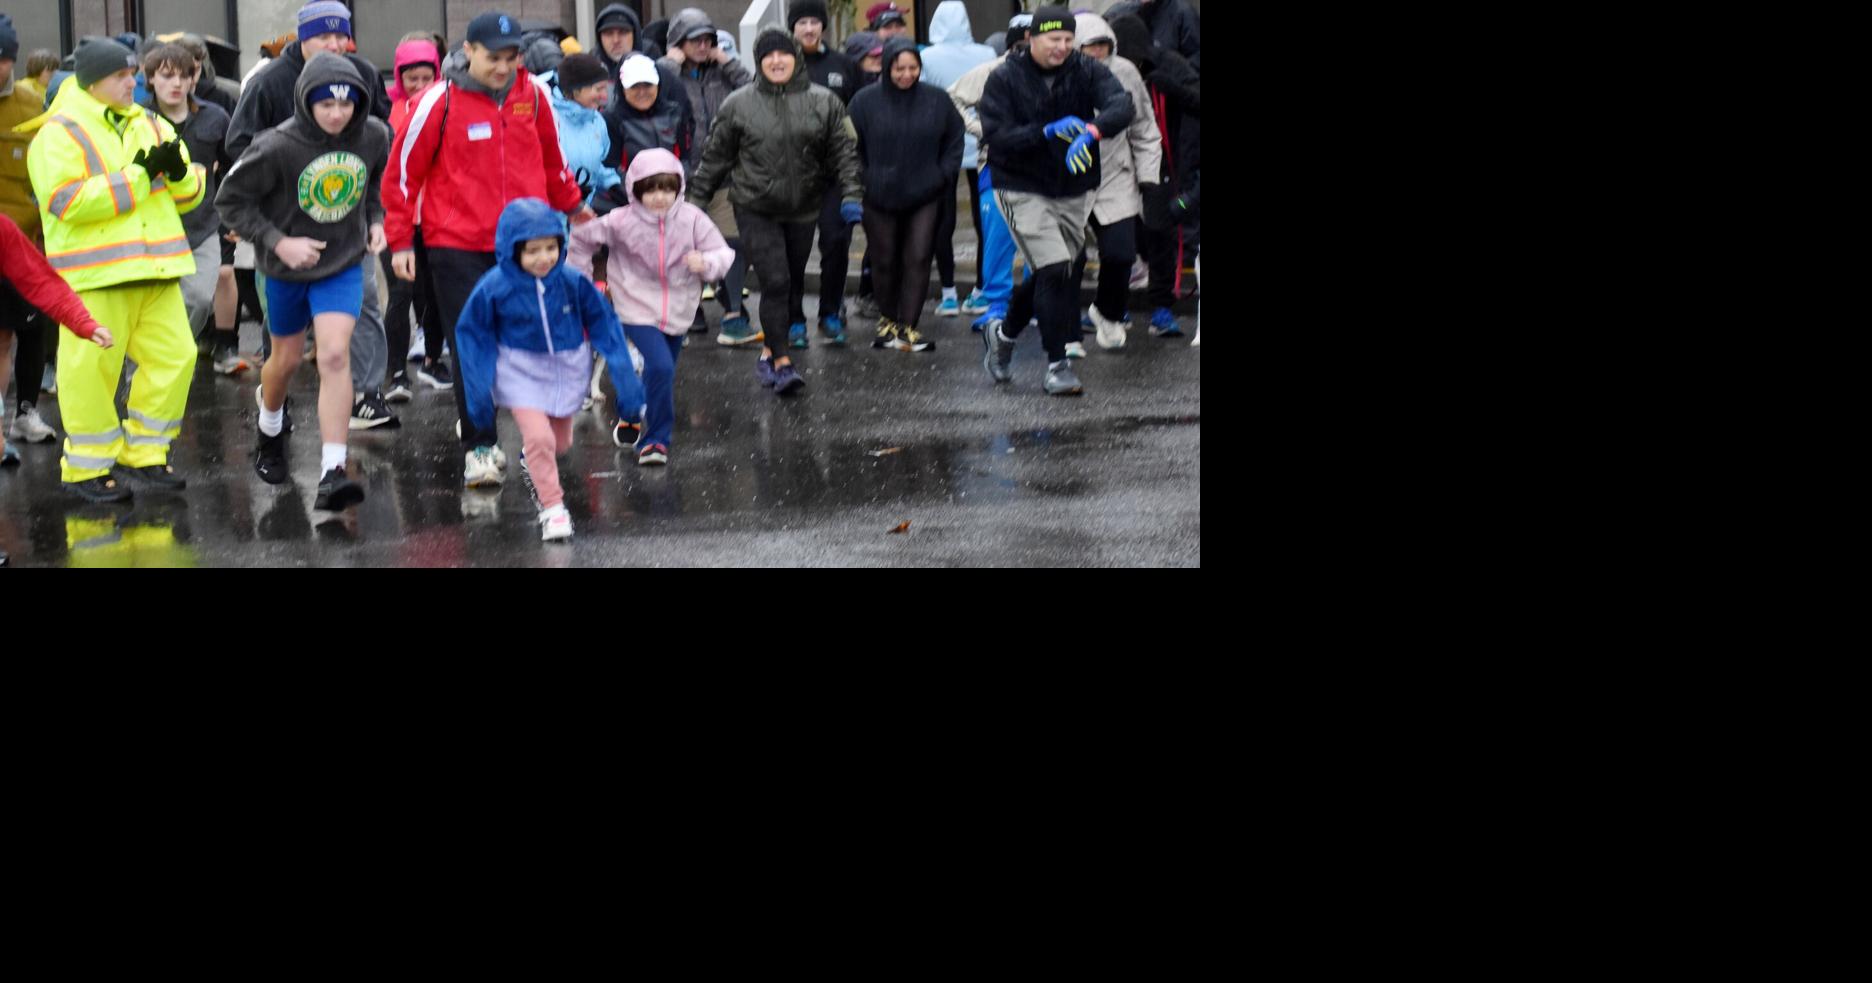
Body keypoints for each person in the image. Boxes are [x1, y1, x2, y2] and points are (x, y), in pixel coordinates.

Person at [384, 10, 593, 489]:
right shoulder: (438, 100)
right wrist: (400, 241)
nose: (503, 67)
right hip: (456, 244)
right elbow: (402, 174)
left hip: (525, 244)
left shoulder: (534, 95)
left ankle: (496, 420)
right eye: (493, 57)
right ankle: (480, 445)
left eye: (511, 57)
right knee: (472, 343)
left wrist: (573, 206)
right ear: (469, 52)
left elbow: (551, 160)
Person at [25, 38, 208, 501]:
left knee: (176, 358)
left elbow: (188, 193)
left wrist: (182, 176)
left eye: (133, 74)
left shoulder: (150, 123)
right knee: (90, 373)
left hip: (156, 269)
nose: (134, 82)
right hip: (94, 277)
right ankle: (87, 468)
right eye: (122, 76)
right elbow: (66, 202)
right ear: (93, 81)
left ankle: (145, 455)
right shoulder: (59, 133)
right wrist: (141, 178)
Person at [217, 54, 391, 511]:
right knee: (286, 361)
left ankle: (333, 470)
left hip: (342, 263)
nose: (337, 114)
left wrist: (376, 219)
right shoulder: (276, 145)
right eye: (325, 105)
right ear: (305, 102)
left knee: (334, 354)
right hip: (286, 269)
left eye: (347, 104)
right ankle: (269, 427)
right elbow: (230, 201)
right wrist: (278, 241)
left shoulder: (373, 134)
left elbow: (373, 185)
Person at [228, 2, 399, 431]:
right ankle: (276, 395)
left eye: (341, 36)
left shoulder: (360, 73)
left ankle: (367, 394)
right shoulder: (270, 82)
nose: (334, 45)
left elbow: (378, 145)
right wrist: (288, 162)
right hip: (287, 227)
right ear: (302, 37)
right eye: (324, 36)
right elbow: (238, 146)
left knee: (363, 304)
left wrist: (374, 213)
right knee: (283, 331)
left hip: (346, 220)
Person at [456, 199, 643, 541]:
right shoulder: (495, 286)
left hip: (567, 371)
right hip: (519, 372)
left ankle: (535, 455)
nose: (543, 258)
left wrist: (625, 378)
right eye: (532, 251)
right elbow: (471, 333)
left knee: (559, 442)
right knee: (540, 438)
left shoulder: (572, 281)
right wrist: (478, 392)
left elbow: (604, 322)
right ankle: (553, 509)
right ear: (512, 251)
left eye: (550, 248)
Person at [686, 28, 861, 394]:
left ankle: (769, 350)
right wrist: (694, 206)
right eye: (768, 56)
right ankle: (782, 362)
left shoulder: (824, 100)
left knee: (791, 282)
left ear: (795, 58)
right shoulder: (739, 103)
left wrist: (851, 195)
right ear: (759, 61)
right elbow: (715, 158)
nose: (776, 61)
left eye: (783, 54)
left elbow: (844, 153)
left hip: (802, 209)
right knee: (776, 280)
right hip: (754, 206)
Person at [977, 7, 1132, 397]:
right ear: (1032, 38)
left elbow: (1121, 103)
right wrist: (1046, 131)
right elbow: (998, 135)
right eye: (1053, 40)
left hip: (1072, 186)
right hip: (1019, 185)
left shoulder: (1085, 68)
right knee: (1054, 267)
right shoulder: (1005, 76)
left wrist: (1093, 131)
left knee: (1055, 270)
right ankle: (1057, 364)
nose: (1063, 47)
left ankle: (1005, 334)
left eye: (1068, 39)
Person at [571, 149, 731, 465]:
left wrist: (707, 262)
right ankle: (657, 439)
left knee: (661, 374)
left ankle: (630, 412)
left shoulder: (692, 218)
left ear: (678, 188)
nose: (659, 197)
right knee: (660, 366)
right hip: (634, 304)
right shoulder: (620, 220)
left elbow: (722, 253)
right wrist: (582, 282)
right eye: (651, 189)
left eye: (667, 188)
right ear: (636, 190)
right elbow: (582, 239)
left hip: (679, 306)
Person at [848, 37, 963, 354]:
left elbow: (955, 137)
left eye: (913, 68)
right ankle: (887, 320)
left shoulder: (937, 100)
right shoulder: (863, 101)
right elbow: (849, 145)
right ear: (887, 67)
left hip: (925, 192)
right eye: (899, 68)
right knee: (884, 260)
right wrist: (864, 177)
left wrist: (943, 174)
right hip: (877, 193)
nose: (907, 75)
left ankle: (909, 326)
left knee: (919, 257)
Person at [141, 42, 240, 369]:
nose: (176, 84)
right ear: (151, 78)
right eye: (167, 76)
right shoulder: (139, 119)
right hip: (151, 232)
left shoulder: (215, 117)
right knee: (150, 309)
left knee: (198, 299)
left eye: (184, 76)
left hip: (202, 227)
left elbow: (235, 166)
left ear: (194, 79)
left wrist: (234, 213)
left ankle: (170, 357)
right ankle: (148, 367)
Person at [662, 8, 755, 346]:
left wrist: (726, 59)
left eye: (707, 39)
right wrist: (671, 62)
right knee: (682, 246)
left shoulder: (723, 73)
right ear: (677, 42)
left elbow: (754, 88)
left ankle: (733, 315)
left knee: (730, 242)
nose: (702, 46)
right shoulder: (667, 73)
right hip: (680, 177)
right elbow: (654, 92)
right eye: (694, 40)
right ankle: (689, 312)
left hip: (723, 174)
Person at [1068, 13, 1161, 351]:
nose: (1096, 53)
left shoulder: (1124, 71)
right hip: (1069, 177)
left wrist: (1148, 176)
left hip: (1115, 174)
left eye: (1102, 46)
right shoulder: (1059, 73)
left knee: (1121, 253)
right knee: (1067, 260)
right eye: (1089, 47)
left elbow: (1145, 127)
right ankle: (1066, 333)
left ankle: (1107, 312)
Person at [1107, 12, 1198, 338]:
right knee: (1119, 236)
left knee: (1159, 232)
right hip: (1115, 163)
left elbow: (1197, 98)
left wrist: (1172, 88)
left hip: (1161, 160)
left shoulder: (1169, 64)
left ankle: (1161, 307)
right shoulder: (1107, 69)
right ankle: (1111, 308)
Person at [949, 14, 1030, 335]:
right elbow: (953, 95)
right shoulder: (991, 71)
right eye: (1022, 41)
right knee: (998, 238)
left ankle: (1035, 304)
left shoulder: (1058, 70)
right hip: (996, 165)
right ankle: (996, 305)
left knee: (1043, 242)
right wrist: (979, 128)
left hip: (1044, 169)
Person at [918, 1, 997, 320]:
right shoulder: (986, 54)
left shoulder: (926, 56)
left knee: (944, 221)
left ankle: (948, 293)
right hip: (981, 142)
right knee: (985, 221)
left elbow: (923, 98)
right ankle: (981, 287)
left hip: (943, 146)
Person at [789, 1, 860, 346]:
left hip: (834, 174)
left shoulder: (843, 65)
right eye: (801, 22)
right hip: (794, 176)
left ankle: (831, 311)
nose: (808, 28)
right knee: (795, 250)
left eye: (814, 22)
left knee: (835, 242)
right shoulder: (781, 64)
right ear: (793, 28)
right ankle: (793, 317)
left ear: (823, 27)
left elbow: (856, 118)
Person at [1, 15, 57, 449]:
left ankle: (24, 413)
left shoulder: (31, 105)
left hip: (26, 242)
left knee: (33, 329)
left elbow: (48, 169)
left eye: (2, 59)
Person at [382, 35, 444, 401]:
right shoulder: (389, 112)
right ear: (398, 77)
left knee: (434, 292)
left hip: (435, 215)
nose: (419, 86)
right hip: (398, 216)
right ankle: (396, 374)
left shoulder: (444, 106)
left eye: (426, 77)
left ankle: (433, 360)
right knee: (400, 293)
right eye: (411, 79)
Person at [549, 53, 620, 208]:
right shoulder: (549, 117)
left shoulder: (596, 120)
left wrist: (613, 184)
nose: (604, 96)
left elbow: (600, 162)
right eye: (599, 89)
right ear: (576, 90)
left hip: (584, 211)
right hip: (554, 213)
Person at [592, 3, 640, 112]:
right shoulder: (588, 74)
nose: (616, 40)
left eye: (623, 32)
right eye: (608, 33)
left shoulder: (653, 68)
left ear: (635, 34)